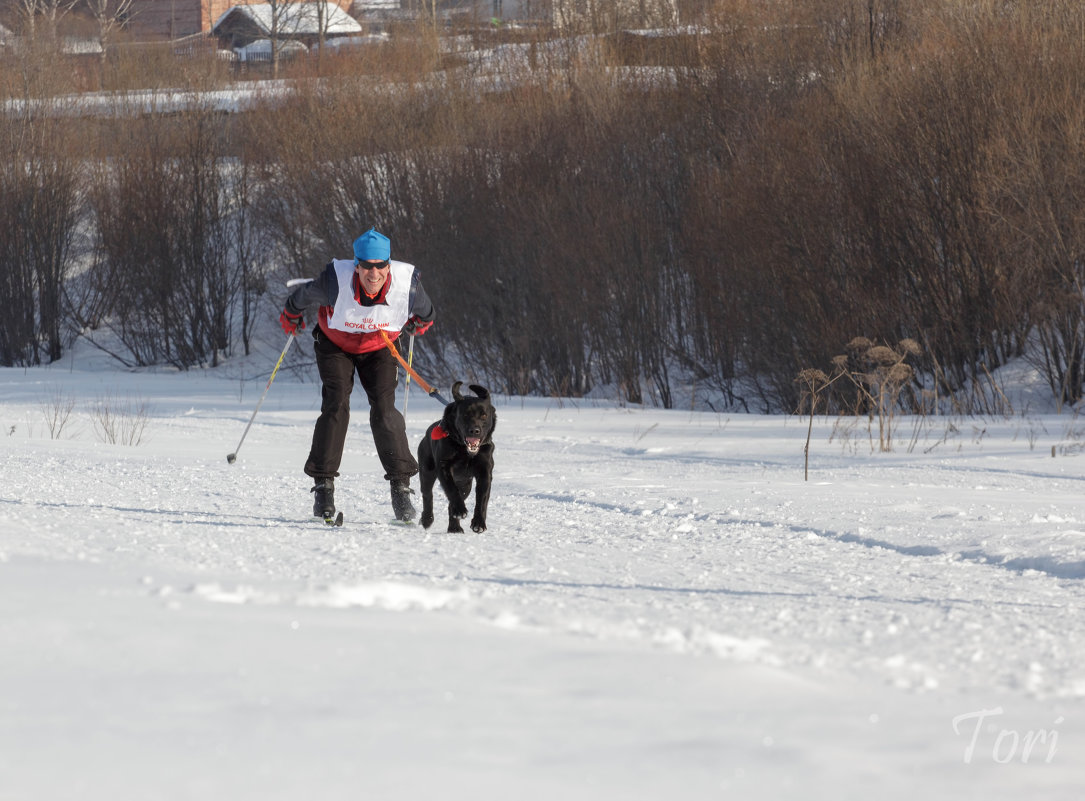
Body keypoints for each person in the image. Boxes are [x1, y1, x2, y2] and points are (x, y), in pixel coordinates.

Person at [279, 228, 435, 523]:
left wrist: (418, 323)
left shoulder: (408, 287)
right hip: (335, 345)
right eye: (366, 266)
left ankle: (401, 490)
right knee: (336, 403)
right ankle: (323, 488)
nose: (373, 273)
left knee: (385, 409)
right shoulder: (334, 283)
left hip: (380, 347)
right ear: (357, 265)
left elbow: (427, 314)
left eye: (379, 266)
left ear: (388, 266)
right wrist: (291, 316)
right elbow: (299, 297)